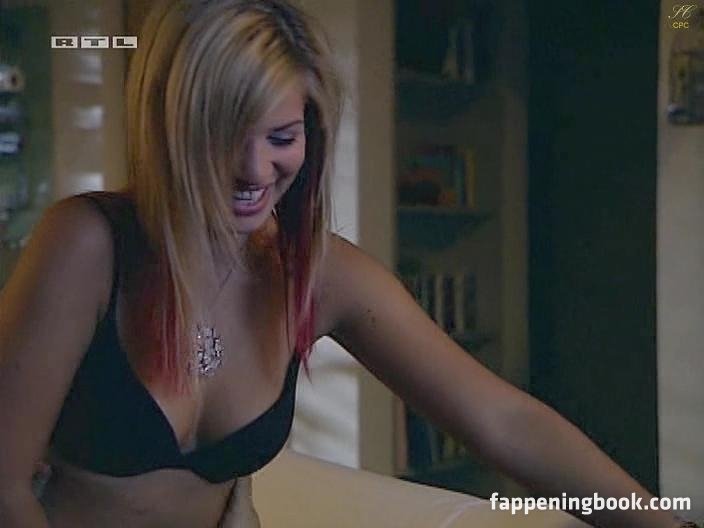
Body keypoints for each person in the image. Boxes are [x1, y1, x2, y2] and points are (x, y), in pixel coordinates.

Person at [0, 1, 693, 527]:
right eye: (225, 137)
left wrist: (659, 525)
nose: (255, 171)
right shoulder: (87, 245)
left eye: (281, 136)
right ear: (170, 129)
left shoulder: (315, 274)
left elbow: (503, 420)